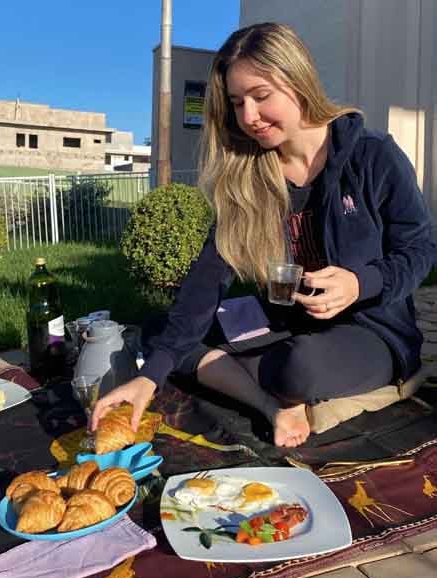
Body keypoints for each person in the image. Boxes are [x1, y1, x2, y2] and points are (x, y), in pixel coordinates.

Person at [91, 22, 435, 448]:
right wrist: (148, 378)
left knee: (299, 369)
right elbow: (206, 279)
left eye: (260, 96)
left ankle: (271, 381)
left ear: (296, 79)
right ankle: (273, 405)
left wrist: (360, 282)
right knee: (160, 333)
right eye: (237, 103)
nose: (249, 117)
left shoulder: (373, 156)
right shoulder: (250, 176)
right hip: (282, 321)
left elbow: (420, 249)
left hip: (369, 330)